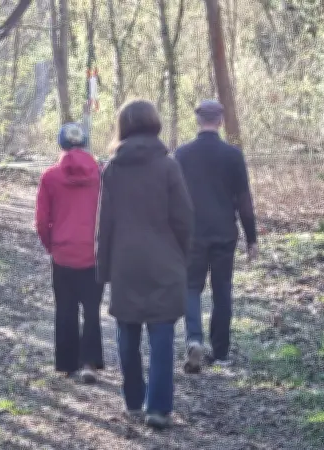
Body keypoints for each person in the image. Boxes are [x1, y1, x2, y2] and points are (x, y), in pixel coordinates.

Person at [96, 99, 193, 429]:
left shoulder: (112, 169)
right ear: (155, 124)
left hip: (125, 262)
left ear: (122, 126)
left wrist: (104, 268)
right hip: (164, 261)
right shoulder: (168, 166)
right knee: (162, 334)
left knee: (127, 333)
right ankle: (159, 408)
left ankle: (133, 402)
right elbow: (183, 218)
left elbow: (105, 223)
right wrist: (182, 255)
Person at [174, 100, 259, 374]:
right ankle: (221, 353)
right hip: (224, 232)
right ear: (220, 121)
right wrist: (251, 237)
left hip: (192, 233)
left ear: (197, 121)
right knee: (222, 290)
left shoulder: (182, 155)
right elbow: (244, 201)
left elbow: (173, 198)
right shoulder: (232, 156)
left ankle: (194, 339)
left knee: (190, 288)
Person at [35, 123, 104, 384]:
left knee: (65, 308)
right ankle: (89, 362)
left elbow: (42, 221)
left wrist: (51, 246)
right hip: (93, 253)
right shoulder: (100, 175)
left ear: (61, 144)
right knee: (92, 308)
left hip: (63, 253)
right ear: (85, 142)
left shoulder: (50, 177)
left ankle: (67, 363)